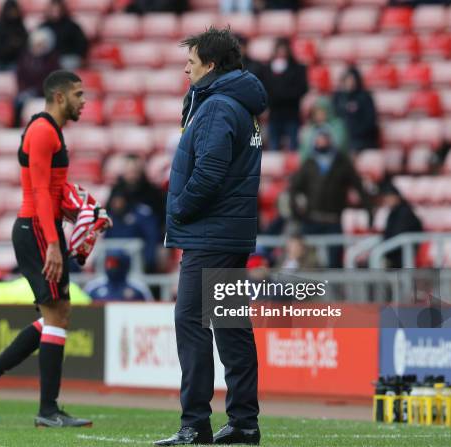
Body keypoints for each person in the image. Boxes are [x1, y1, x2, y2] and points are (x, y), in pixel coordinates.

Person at [157, 27, 267, 446]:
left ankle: (195, 424)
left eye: (192, 60)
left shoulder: (218, 106)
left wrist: (179, 209)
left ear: (212, 65)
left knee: (192, 325)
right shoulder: (240, 105)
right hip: (231, 233)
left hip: (209, 235)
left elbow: (209, 171)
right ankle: (243, 423)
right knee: (231, 327)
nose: (186, 67)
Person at [0, 70, 92, 428]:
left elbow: (52, 191)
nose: (84, 101)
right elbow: (38, 192)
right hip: (37, 229)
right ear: (60, 97)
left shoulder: (52, 131)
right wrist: (53, 243)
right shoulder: (41, 131)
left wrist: (83, 211)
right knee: (56, 314)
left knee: (59, 314)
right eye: (79, 95)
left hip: (44, 228)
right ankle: (46, 410)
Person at [289, 128, 372, 268]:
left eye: (325, 138)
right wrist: (297, 213)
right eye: (319, 138)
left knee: (334, 261)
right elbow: (294, 189)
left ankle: (333, 289)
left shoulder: (342, 163)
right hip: (312, 220)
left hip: (334, 220)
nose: (322, 142)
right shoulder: (309, 163)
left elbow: (358, 187)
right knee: (306, 259)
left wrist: (369, 209)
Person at [261, 37, 307, 151]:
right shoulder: (267, 69)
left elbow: (302, 89)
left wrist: (281, 94)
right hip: (274, 114)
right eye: (279, 49)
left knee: (293, 147)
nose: (281, 52)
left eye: (284, 49)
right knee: (273, 147)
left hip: (291, 113)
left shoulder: (298, 68)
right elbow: (264, 88)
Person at [105, 188, 160, 273]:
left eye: (119, 201)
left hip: (137, 263)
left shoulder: (140, 215)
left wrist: (148, 260)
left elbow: (151, 237)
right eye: (115, 201)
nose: (117, 204)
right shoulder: (107, 218)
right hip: (112, 264)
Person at [109, 154, 166, 232]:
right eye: (129, 170)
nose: (132, 174)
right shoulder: (116, 191)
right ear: (124, 171)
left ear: (141, 171)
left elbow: (160, 217)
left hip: (145, 235)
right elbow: (109, 214)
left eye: (135, 171)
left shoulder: (152, 192)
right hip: (121, 235)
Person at [15, 28, 60, 125]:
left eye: (41, 44)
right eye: (36, 44)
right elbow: (20, 77)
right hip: (27, 92)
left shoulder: (53, 60)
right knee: (18, 102)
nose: (38, 47)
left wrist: (36, 91)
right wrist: (25, 90)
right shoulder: (25, 58)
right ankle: (17, 126)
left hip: (45, 94)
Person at [333, 66, 379, 153]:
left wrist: (355, 133)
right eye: (347, 80)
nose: (349, 83)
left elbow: (370, 121)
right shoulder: (338, 98)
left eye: (352, 79)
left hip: (362, 141)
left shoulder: (365, 97)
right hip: (342, 140)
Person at [380, 182, 423, 268]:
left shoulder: (404, 213)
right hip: (396, 254)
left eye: (389, 197)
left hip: (403, 256)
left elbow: (397, 235)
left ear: (396, 197)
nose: (387, 200)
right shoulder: (394, 212)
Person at [84, 249, 153, 301]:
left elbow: (150, 311)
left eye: (113, 263)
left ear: (125, 264)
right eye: (108, 263)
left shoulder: (139, 289)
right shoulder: (93, 288)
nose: (110, 267)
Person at [39, 0, 88, 69]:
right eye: (52, 10)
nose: (55, 12)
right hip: (48, 60)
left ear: (63, 10)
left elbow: (82, 44)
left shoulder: (72, 26)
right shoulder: (43, 27)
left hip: (68, 57)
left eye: (57, 10)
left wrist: (81, 57)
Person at [299, 96, 347, 161]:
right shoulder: (310, 128)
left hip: (335, 162)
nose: (319, 115)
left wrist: (326, 141)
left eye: (322, 111)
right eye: (317, 112)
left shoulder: (337, 125)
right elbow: (304, 151)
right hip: (314, 163)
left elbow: (340, 146)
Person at [0, 0, 28, 68]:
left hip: (20, 61)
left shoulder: (20, 25)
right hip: (4, 63)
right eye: (11, 10)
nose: (13, 13)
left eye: (15, 10)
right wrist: (11, 45)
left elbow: (26, 44)